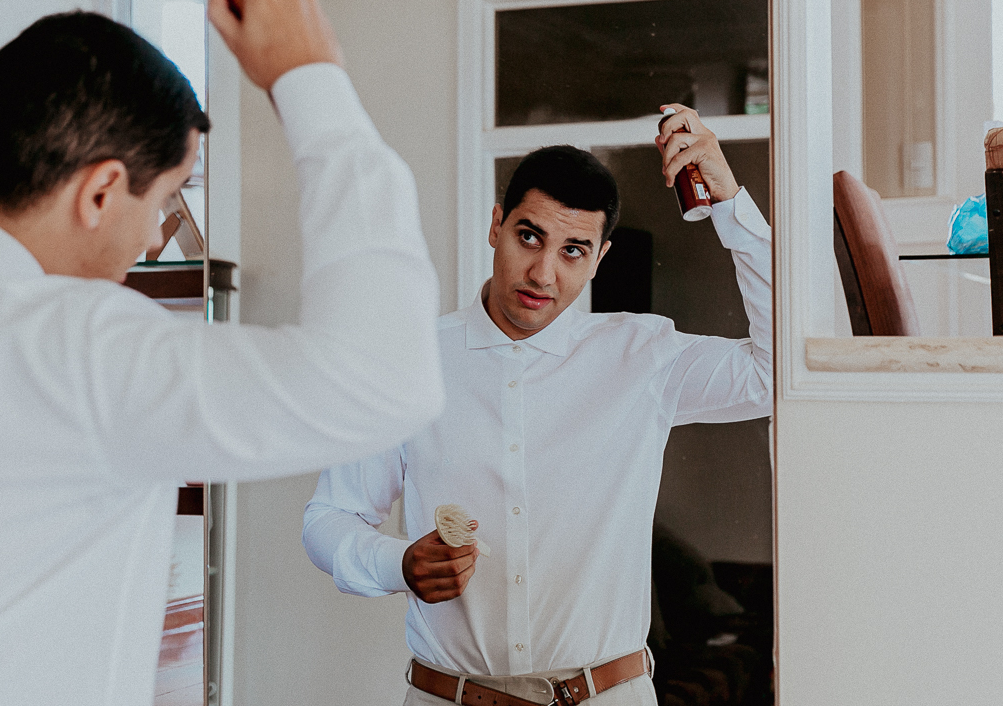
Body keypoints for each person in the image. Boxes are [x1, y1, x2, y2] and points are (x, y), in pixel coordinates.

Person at [0, 0, 443, 706]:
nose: (154, 234)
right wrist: (311, 81)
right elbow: (386, 379)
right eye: (164, 198)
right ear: (102, 191)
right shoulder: (75, 350)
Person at [302, 111, 771, 706]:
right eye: (530, 236)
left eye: (573, 251)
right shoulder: (406, 361)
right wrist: (396, 562)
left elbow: (776, 370)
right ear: (497, 225)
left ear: (598, 258)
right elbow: (328, 517)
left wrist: (728, 201)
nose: (543, 273)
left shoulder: (642, 357)